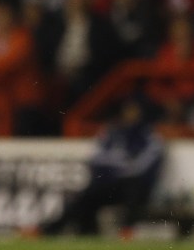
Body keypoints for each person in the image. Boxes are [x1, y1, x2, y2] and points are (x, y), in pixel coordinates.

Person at [39, 97, 165, 239]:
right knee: (86, 195)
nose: (130, 114)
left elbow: (141, 168)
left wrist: (116, 165)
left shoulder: (151, 138)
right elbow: (96, 158)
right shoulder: (112, 132)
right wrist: (121, 163)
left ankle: (127, 233)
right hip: (112, 183)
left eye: (134, 110)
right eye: (128, 110)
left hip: (136, 187)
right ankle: (52, 231)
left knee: (133, 189)